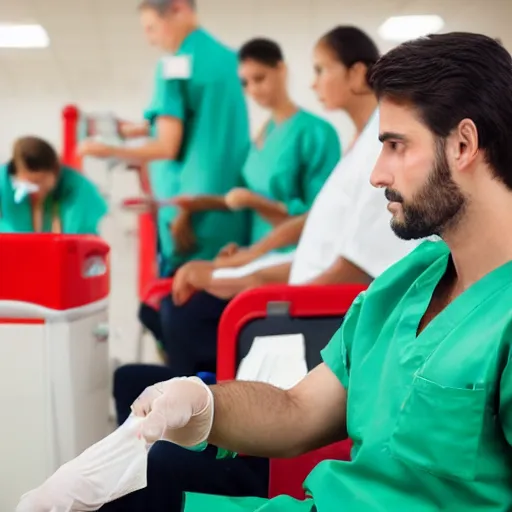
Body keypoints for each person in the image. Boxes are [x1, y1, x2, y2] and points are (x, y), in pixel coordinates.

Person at [118, 31, 512, 512]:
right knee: (127, 492)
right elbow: (298, 410)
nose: (377, 174)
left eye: (396, 145)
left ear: (464, 145)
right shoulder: (408, 281)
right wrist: (203, 405)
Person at [113, 26, 418, 401]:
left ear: (357, 73)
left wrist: (256, 282)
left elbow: (335, 252)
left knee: (183, 315)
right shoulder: (347, 147)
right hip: (287, 269)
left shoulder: (355, 148)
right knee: (165, 306)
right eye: (245, 82)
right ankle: (191, 402)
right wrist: (244, 259)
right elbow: (315, 228)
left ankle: (197, 409)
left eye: (321, 70)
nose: (314, 83)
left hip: (310, 302)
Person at [139, 36, 341, 358]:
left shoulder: (316, 133)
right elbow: (240, 196)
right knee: (156, 306)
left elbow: (319, 220)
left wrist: (255, 207)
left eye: (259, 78)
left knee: (181, 315)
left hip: (291, 261)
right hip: (256, 254)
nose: (254, 91)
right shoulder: (262, 134)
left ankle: (204, 391)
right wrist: (191, 210)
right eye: (245, 83)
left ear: (282, 70)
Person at [79, 0, 250, 276]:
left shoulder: (173, 66)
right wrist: (140, 129)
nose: (151, 40)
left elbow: (167, 146)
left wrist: (106, 148)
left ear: (179, 8)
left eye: (152, 28)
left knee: (183, 308)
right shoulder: (232, 60)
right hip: (229, 214)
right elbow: (201, 125)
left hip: (189, 218)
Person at [0, 136, 106, 234]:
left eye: (40, 181)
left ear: (55, 172)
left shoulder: (78, 188)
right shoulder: (4, 184)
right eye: (29, 183)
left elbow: (88, 239)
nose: (37, 189)